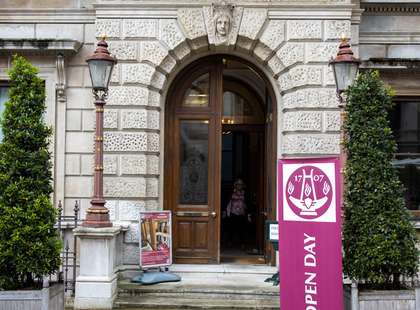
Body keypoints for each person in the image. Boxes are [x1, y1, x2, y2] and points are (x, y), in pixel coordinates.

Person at [226, 179, 250, 248]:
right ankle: (229, 242)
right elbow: (227, 202)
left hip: (242, 213)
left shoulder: (245, 193)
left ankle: (242, 243)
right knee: (231, 228)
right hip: (233, 213)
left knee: (242, 229)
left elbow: (247, 203)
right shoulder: (231, 192)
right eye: (238, 184)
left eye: (241, 184)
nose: (239, 186)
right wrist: (225, 212)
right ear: (235, 185)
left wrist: (248, 214)